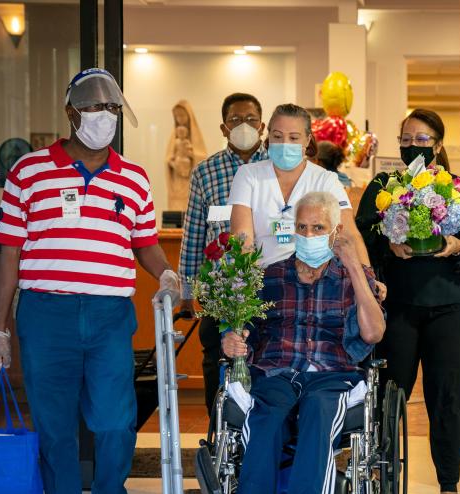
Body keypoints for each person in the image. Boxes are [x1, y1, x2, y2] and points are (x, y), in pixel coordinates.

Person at [0, 68, 181, 494]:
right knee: (55, 433)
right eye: (94, 109)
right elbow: (9, 254)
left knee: (115, 423)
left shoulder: (133, 177)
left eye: (112, 110)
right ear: (71, 113)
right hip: (46, 315)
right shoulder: (29, 172)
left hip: (108, 315)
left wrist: (167, 274)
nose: (103, 119)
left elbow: (144, 245)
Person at [210, 191, 385, 494]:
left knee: (319, 413)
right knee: (265, 415)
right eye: (302, 227)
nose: (309, 234)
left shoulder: (352, 278)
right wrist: (232, 338)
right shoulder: (270, 276)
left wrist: (355, 267)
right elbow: (246, 330)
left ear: (334, 231)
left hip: (332, 375)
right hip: (277, 372)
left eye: (318, 228)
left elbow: (373, 334)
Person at [356, 108, 460, 494]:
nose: (413, 145)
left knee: (448, 398)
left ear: (439, 144)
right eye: (406, 137)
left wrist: (455, 247)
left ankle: (449, 488)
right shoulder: (383, 186)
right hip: (398, 307)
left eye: (422, 138)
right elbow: (361, 234)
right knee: (386, 393)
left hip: (453, 306)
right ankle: (375, 479)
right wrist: (387, 246)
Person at [228, 103, 384, 303]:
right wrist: (246, 290)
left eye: (293, 138)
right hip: (266, 282)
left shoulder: (325, 179)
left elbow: (349, 233)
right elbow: (242, 238)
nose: (284, 143)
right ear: (268, 137)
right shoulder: (248, 175)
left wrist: (368, 279)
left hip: (318, 282)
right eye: (277, 136)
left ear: (307, 140)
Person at [178, 92, 268, 414]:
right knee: (217, 366)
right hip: (221, 291)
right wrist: (187, 293)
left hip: (267, 288)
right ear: (223, 127)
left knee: (264, 371)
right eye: (235, 120)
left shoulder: (276, 168)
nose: (244, 125)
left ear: (263, 125)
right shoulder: (206, 172)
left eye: (251, 120)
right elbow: (193, 237)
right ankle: (219, 437)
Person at [165, 100, 207, 211]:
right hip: (177, 177)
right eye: (177, 116)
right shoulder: (174, 138)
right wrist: (173, 163)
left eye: (182, 115)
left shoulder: (195, 135)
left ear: (189, 115)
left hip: (190, 176)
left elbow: (203, 157)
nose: (180, 119)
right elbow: (168, 158)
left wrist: (192, 155)